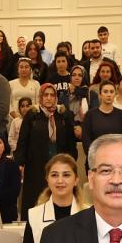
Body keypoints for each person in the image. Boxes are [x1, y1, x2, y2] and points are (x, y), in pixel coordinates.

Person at [21, 154, 87, 243]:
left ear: (76, 180)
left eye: (66, 175)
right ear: (47, 179)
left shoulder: (89, 214)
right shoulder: (34, 215)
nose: (60, 180)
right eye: (54, 175)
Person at [16, 85, 78, 213]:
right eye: (45, 95)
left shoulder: (63, 115)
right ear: (40, 97)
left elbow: (71, 141)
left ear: (56, 97)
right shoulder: (32, 115)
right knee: (35, 199)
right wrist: (20, 162)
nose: (49, 98)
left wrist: (72, 160)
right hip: (36, 164)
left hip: (59, 163)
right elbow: (23, 140)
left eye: (52, 95)